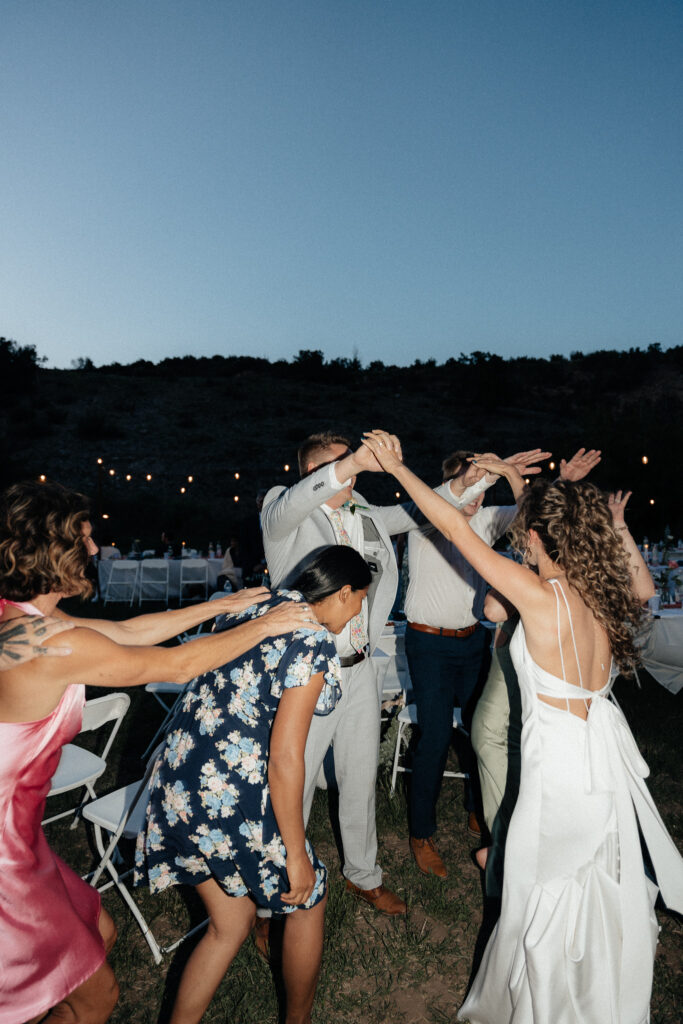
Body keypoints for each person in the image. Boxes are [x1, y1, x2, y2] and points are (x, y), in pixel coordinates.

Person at [360, 432, 683, 1024]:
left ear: (533, 539)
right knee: (588, 877)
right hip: (601, 758)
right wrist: (617, 526)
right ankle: (594, 986)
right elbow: (646, 589)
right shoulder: (601, 592)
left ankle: (552, 1001)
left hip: (558, 763)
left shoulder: (540, 596)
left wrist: (398, 471)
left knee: (546, 887)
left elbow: (454, 529)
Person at [0, 480, 313, 1024]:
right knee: (96, 995)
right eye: (85, 538)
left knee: (100, 931)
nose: (96, 550)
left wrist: (223, 606)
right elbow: (177, 666)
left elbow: (130, 630)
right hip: (4, 851)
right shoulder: (55, 646)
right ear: (54, 551)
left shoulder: (23, 620)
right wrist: (267, 624)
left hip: (21, 836)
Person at [261, 430, 500, 914]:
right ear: (312, 472)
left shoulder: (364, 511)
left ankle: (363, 874)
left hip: (361, 670)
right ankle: (274, 895)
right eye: (341, 464)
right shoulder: (283, 511)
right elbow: (296, 501)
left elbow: (420, 508)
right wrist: (353, 462)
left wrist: (469, 483)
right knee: (295, 781)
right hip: (306, 678)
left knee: (359, 774)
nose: (354, 471)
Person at [136, 545, 372, 1024]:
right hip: (226, 790)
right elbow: (286, 759)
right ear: (344, 592)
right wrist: (296, 853)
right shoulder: (311, 641)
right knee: (307, 896)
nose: (360, 611)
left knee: (232, 921)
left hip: (177, 783)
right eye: (361, 599)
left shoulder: (257, 604)